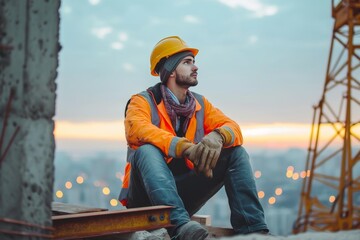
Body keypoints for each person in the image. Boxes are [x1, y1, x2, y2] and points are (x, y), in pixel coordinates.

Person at [118, 36, 268, 240]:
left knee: (236, 153)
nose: (195, 67)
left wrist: (218, 136)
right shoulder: (141, 101)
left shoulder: (200, 104)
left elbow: (234, 129)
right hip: (145, 199)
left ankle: (253, 230)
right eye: (187, 62)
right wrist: (185, 148)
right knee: (146, 150)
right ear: (170, 70)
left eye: (193, 62)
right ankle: (180, 227)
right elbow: (138, 129)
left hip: (180, 196)